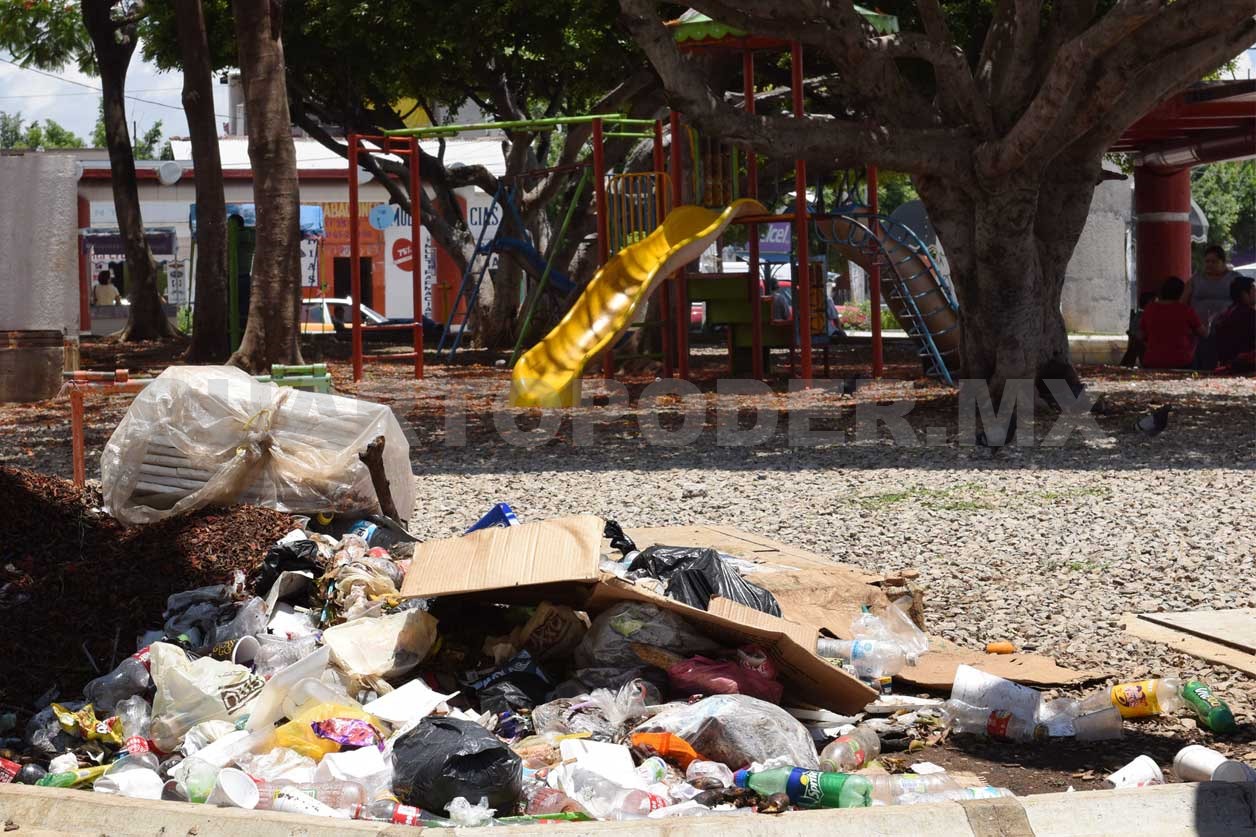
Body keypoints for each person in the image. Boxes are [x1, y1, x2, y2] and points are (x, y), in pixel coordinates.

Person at [1140, 276, 1206, 369]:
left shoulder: (1149, 309)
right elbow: (1203, 333)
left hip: (1152, 360)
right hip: (1181, 360)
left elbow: (1142, 335)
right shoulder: (1185, 310)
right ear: (1181, 293)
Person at [1188, 245, 1243, 331]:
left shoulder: (1235, 279)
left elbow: (1249, 303)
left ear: (1223, 262)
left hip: (1229, 330)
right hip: (1198, 331)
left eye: (1214, 262)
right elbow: (1181, 305)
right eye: (1207, 261)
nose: (1209, 264)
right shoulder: (1195, 279)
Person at [1213, 275, 1256, 372]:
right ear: (1244, 294)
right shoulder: (1250, 315)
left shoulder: (1226, 313)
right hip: (1244, 365)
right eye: (1254, 291)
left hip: (1226, 363)